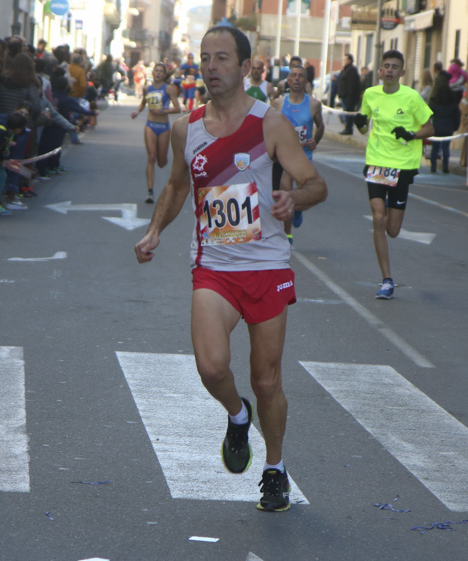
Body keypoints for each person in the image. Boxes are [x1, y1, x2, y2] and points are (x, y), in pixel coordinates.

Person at [134, 26, 326, 513]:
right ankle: (237, 417)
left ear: (244, 67)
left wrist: (293, 197)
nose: (211, 66)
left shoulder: (270, 124)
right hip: (214, 267)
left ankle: (275, 469)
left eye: (222, 58)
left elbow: (314, 182)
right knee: (211, 366)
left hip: (265, 265)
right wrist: (156, 230)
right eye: (205, 58)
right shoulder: (187, 128)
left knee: (267, 381)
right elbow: (177, 187)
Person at [352, 50, 434, 299]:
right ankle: (387, 279)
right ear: (380, 71)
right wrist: (360, 123)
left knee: (393, 230)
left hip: (402, 166)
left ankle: (388, 208)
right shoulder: (370, 94)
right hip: (377, 163)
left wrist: (411, 135)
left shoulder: (411, 97)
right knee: (378, 219)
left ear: (402, 72)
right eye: (386, 66)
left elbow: (430, 127)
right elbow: (365, 127)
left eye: (394, 66)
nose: (389, 70)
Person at [271, 63, 324, 239]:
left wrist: (314, 140)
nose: (296, 79)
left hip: (304, 155)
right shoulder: (278, 103)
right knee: (286, 189)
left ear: (306, 81)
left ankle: (298, 210)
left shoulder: (314, 104)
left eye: (300, 76)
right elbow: (269, 126)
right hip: (285, 156)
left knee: (303, 192)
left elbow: (321, 126)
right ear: (288, 80)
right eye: (293, 75)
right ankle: (288, 235)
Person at [131, 62, 182, 203]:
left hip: (164, 126)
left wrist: (162, 111)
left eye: (161, 71)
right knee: (151, 157)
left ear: (164, 74)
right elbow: (143, 102)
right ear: (152, 73)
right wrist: (137, 112)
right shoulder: (147, 88)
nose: (158, 73)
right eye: (156, 71)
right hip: (150, 125)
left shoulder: (169, 89)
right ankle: (150, 191)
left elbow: (178, 108)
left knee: (161, 161)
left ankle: (163, 159)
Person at [427, 71, 460, 173]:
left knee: (435, 148)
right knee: (446, 148)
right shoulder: (452, 97)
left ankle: (433, 167)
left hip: (436, 125)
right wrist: (455, 126)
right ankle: (445, 166)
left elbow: (428, 113)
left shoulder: (434, 97)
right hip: (448, 126)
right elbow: (456, 113)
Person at [337, 54, 361, 135]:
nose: (344, 61)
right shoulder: (345, 69)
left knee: (349, 112)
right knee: (346, 112)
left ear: (350, 60)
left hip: (349, 96)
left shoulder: (352, 70)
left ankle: (349, 128)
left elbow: (352, 83)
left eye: (346, 59)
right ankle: (347, 127)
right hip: (344, 95)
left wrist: (350, 95)